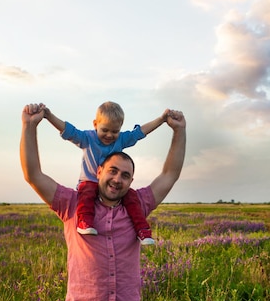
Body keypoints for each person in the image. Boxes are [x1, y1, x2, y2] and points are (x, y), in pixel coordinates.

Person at [19, 103, 186, 301]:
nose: (117, 179)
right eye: (112, 171)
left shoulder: (140, 205)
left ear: (131, 181)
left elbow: (170, 174)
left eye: (125, 175)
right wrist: (29, 126)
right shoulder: (71, 205)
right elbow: (33, 175)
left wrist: (179, 132)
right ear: (98, 171)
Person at [38, 101, 171, 245]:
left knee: (132, 199)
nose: (109, 135)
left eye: (115, 131)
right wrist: (48, 115)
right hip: (89, 181)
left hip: (112, 184)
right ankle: (84, 223)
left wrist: (161, 119)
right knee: (86, 195)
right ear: (95, 124)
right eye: (105, 130)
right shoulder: (87, 138)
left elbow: (139, 133)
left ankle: (143, 230)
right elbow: (68, 131)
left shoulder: (121, 140)